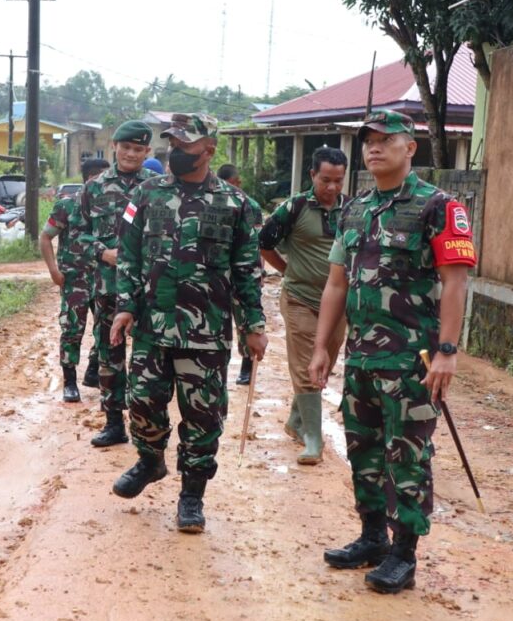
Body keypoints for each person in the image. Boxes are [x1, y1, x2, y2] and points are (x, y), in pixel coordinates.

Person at [307, 111, 476, 593]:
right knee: (363, 451)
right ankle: (371, 538)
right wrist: (323, 347)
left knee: (408, 457)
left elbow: (455, 282)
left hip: (412, 361)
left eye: (386, 140)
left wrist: (447, 350)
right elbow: (336, 284)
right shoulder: (355, 210)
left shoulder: (437, 207)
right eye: (368, 141)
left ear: (410, 148)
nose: (374, 148)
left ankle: (404, 553)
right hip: (362, 358)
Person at [110, 113, 267, 533]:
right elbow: (128, 254)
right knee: (142, 400)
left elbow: (248, 271)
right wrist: (125, 305)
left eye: (184, 145)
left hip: (206, 332)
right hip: (152, 325)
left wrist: (253, 325)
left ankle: (192, 496)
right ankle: (150, 460)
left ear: (208, 150)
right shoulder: (146, 194)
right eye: (172, 143)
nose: (175, 151)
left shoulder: (237, 205)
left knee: (203, 416)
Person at [259, 146, 348, 464]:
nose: (332, 187)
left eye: (338, 180)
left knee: (324, 363)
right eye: (326, 180)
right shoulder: (293, 207)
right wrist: (286, 270)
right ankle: (313, 439)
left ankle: (297, 420)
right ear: (312, 175)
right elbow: (264, 243)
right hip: (299, 298)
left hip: (337, 304)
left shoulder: (352, 210)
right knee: (307, 364)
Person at [71, 120, 157, 446]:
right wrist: (102, 252)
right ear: (114, 147)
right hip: (108, 286)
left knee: (149, 359)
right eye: (126, 147)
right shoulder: (93, 188)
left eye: (138, 149)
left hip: (148, 289)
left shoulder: (158, 187)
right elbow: (77, 234)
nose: (131, 154)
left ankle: (147, 427)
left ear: (147, 151)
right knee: (110, 356)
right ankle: (113, 423)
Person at [40, 158, 110, 402]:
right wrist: (53, 271)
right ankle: (70, 382)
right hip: (75, 278)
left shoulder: (110, 207)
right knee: (72, 328)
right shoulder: (67, 205)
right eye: (103, 177)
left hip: (104, 278)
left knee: (106, 327)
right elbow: (45, 238)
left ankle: (93, 370)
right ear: (91, 178)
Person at [216, 163, 263, 386]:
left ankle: (247, 365)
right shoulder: (213, 201)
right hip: (220, 272)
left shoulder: (250, 205)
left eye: (233, 184)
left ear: (238, 183)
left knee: (244, 318)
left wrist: (258, 274)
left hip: (243, 271)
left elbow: (256, 245)